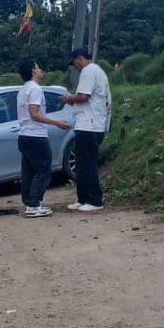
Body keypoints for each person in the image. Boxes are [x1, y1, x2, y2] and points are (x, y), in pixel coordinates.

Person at [59, 47, 112, 213]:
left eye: (74, 62)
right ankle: (82, 198)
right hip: (91, 123)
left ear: (80, 58)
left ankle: (94, 200)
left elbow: (83, 96)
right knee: (82, 164)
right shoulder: (98, 71)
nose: (74, 66)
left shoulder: (88, 71)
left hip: (89, 124)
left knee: (87, 164)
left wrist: (68, 99)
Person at [17, 59, 70, 218]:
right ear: (33, 70)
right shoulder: (35, 89)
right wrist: (56, 122)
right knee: (44, 170)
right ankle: (33, 204)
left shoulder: (22, 90)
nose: (41, 70)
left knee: (28, 171)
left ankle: (29, 202)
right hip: (36, 135)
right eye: (39, 67)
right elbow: (35, 114)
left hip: (24, 134)